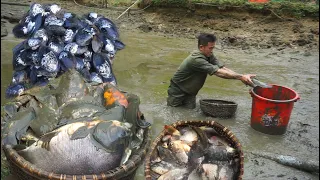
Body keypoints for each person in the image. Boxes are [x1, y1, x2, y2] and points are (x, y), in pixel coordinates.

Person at [167, 33, 256, 109]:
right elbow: (218, 73)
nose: (212, 50)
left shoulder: (209, 54)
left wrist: (242, 76)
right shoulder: (196, 59)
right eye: (210, 48)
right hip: (177, 90)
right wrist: (240, 77)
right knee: (173, 112)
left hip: (190, 92)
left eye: (213, 48)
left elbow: (222, 68)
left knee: (189, 112)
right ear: (201, 47)